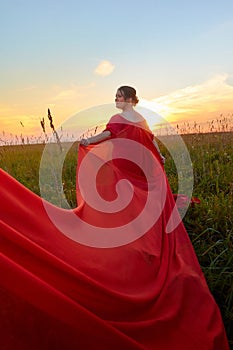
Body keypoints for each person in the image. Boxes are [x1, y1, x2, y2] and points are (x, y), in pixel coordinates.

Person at [0, 86, 229, 350]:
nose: (116, 100)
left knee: (131, 190)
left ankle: (134, 222)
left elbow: (115, 134)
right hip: (137, 163)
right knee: (134, 192)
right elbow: (144, 139)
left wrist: (90, 141)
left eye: (120, 96)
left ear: (131, 99)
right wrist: (158, 153)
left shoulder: (122, 120)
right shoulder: (138, 119)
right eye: (116, 96)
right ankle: (135, 219)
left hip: (134, 164)